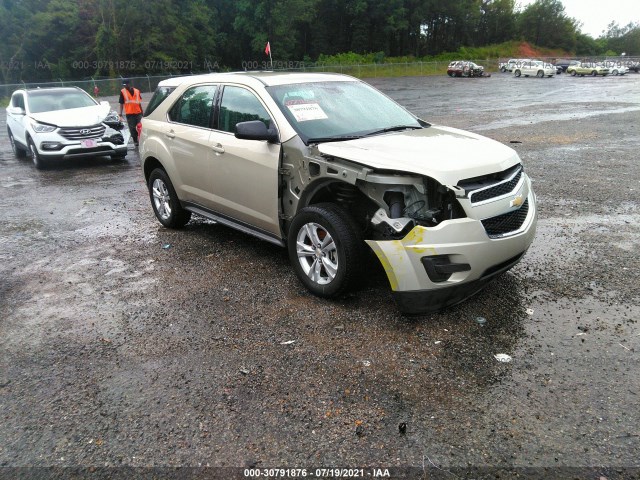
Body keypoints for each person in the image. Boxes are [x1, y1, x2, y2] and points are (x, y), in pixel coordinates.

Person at [118, 80, 143, 146]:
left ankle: (141, 139)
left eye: (126, 84)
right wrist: (120, 114)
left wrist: (142, 112)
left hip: (138, 113)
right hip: (130, 114)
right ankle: (135, 140)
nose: (125, 86)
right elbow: (121, 103)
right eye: (124, 85)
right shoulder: (123, 92)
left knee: (140, 127)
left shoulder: (137, 91)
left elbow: (139, 103)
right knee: (132, 128)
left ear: (129, 84)